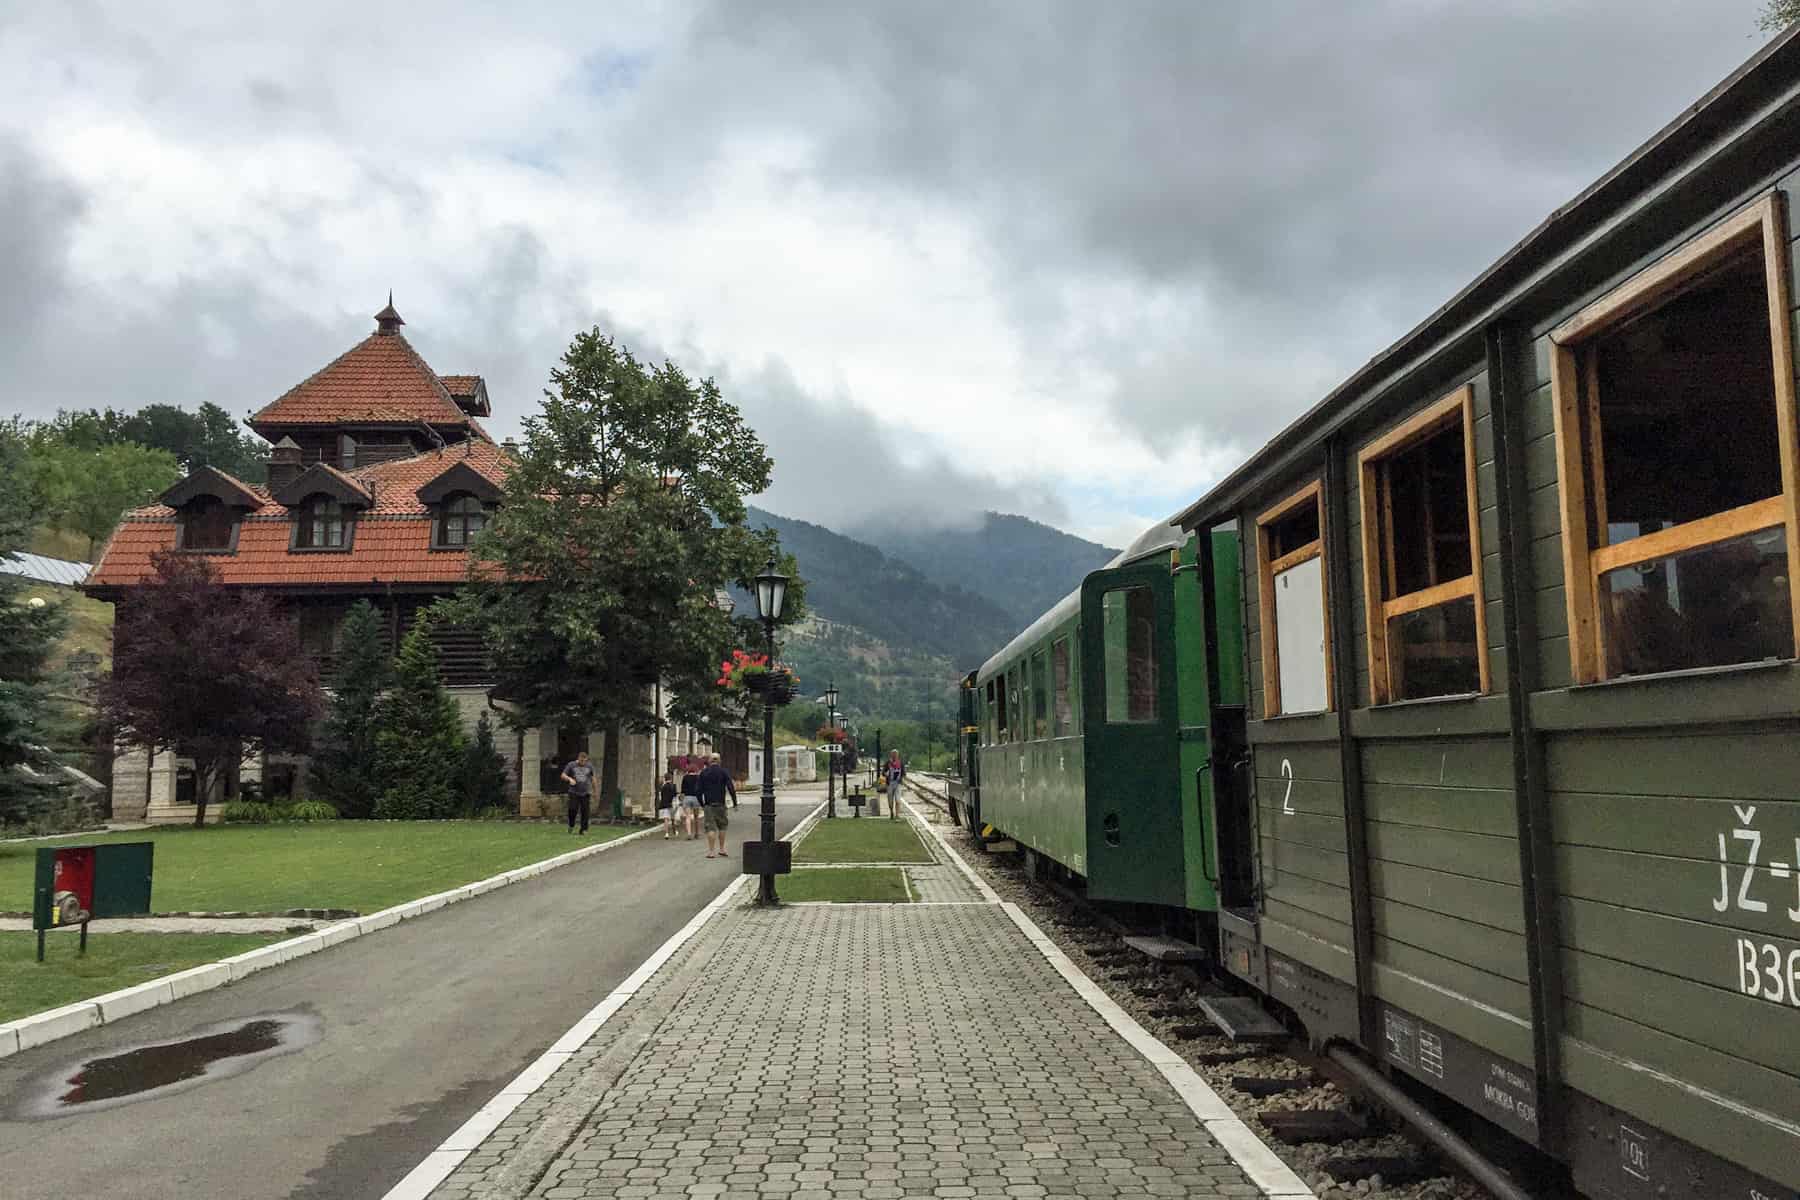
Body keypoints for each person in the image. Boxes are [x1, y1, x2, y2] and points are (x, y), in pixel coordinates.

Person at [697, 753, 737, 859]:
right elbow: (730, 787)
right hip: (721, 804)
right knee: (722, 826)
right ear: (719, 761)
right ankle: (722, 849)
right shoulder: (724, 772)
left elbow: (698, 791)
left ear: (709, 761)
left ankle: (711, 851)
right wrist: (735, 803)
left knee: (710, 828)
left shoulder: (704, 773)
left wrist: (702, 804)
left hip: (709, 805)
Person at [559, 749, 595, 834]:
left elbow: (593, 779)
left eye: (585, 761)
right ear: (578, 758)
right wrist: (569, 779)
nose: (583, 763)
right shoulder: (571, 765)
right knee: (572, 809)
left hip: (585, 792)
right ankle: (571, 825)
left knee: (585, 811)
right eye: (581, 761)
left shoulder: (589, 766)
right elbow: (563, 775)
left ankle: (583, 829)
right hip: (574, 792)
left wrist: (595, 791)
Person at [679, 761, 702, 839]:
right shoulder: (698, 777)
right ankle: (697, 833)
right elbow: (700, 789)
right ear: (696, 770)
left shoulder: (685, 777)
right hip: (696, 798)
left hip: (687, 797)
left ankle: (689, 833)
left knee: (688, 817)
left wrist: (681, 800)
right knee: (696, 817)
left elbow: (682, 790)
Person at [657, 770, 679, 839]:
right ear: (671, 778)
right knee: (673, 818)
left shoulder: (663, 787)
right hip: (672, 804)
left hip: (664, 804)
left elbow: (661, 796)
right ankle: (675, 831)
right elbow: (675, 795)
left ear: (665, 778)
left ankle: (666, 833)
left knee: (666, 819)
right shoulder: (673, 786)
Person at [884, 749, 904, 815]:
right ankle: (891, 811)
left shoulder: (900, 763)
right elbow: (883, 772)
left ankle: (897, 815)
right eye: (893, 754)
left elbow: (903, 773)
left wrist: (901, 778)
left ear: (898, 755)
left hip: (898, 783)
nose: (895, 756)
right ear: (891, 755)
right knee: (890, 800)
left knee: (898, 800)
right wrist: (885, 774)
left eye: (896, 754)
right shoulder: (888, 763)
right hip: (890, 783)